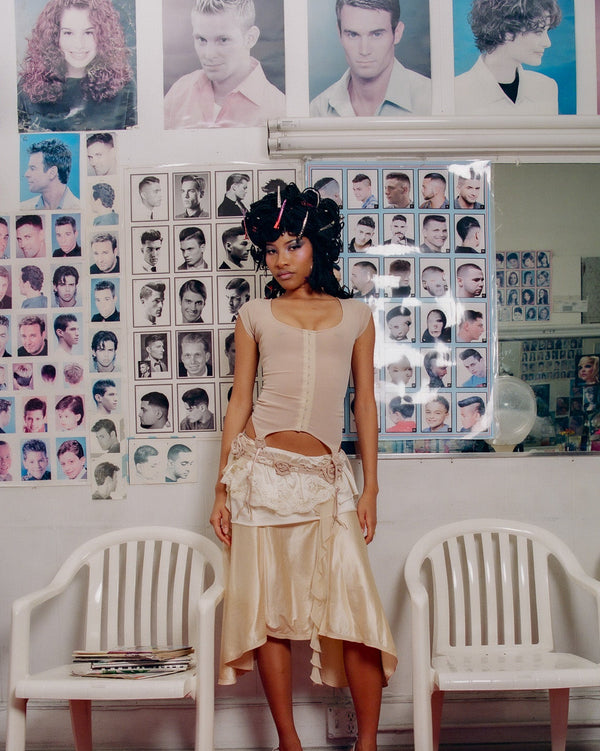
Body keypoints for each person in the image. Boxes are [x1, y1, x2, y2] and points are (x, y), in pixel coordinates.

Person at [209, 183, 397, 751]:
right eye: (270, 250)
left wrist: (370, 488)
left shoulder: (357, 316)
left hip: (327, 482)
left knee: (355, 611)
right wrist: (221, 490)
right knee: (268, 614)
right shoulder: (254, 313)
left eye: (292, 245)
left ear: (317, 245)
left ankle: (367, 744)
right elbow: (239, 402)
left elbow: (364, 403)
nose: (281, 260)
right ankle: (289, 743)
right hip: (259, 473)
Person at [164, 0, 285, 129]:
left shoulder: (280, 110)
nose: (209, 55)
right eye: (202, 39)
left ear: (250, 38)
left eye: (223, 40)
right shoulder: (178, 93)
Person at [17, 0, 135, 131]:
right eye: (68, 33)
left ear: (104, 35)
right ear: (54, 36)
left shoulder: (123, 86)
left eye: (89, 32)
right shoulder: (28, 87)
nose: (79, 44)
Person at [310, 0, 431, 117]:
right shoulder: (318, 111)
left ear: (397, 33)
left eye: (377, 34)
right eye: (353, 35)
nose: (364, 50)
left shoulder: (432, 100)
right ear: (339, 33)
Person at [455, 0, 562, 115]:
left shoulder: (546, 88)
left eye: (547, 31)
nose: (547, 43)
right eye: (538, 32)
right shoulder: (456, 93)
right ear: (506, 31)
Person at [21, 139, 79, 210]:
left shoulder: (79, 207)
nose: (26, 174)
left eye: (32, 168)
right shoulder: (23, 208)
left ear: (52, 172)